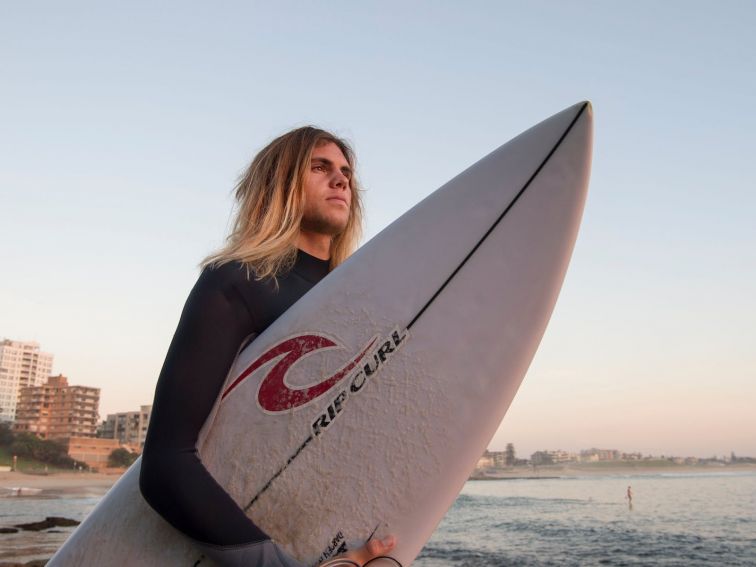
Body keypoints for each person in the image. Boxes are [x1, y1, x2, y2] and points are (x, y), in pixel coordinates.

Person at [139, 127, 396, 567]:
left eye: (346, 173)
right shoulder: (237, 282)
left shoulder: (362, 305)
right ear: (280, 183)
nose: (341, 181)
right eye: (320, 167)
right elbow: (165, 466)